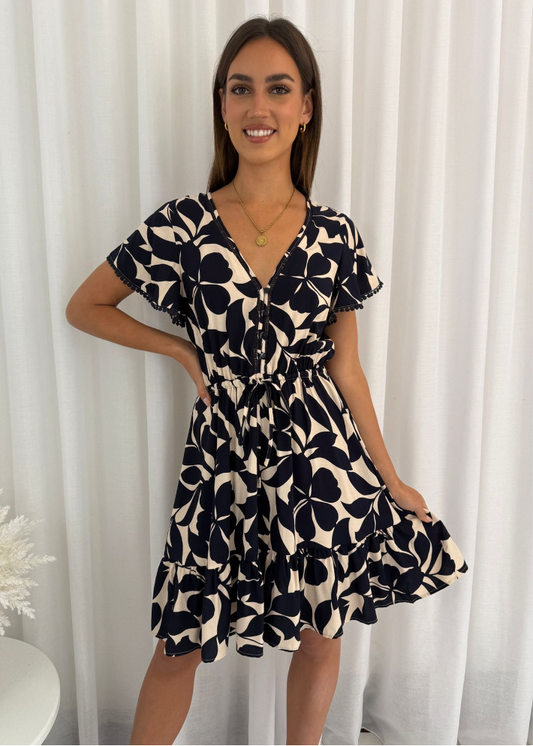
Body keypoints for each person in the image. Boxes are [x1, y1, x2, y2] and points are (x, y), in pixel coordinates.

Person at [65, 16, 468, 746]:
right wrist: (183, 352)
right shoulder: (182, 225)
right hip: (221, 463)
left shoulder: (334, 234)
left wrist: (390, 475)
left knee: (320, 630)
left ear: (305, 106)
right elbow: (85, 307)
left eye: (278, 89)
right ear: (221, 104)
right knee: (181, 638)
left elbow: (345, 367)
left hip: (321, 462)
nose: (259, 107)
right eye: (241, 88)